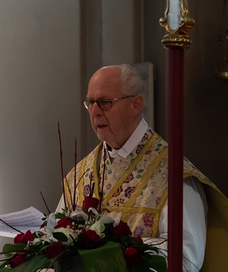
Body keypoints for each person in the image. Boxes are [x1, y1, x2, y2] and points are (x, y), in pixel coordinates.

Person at [56, 64, 228, 272]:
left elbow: (186, 258)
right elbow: (57, 239)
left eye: (105, 102)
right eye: (90, 103)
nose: (95, 112)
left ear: (136, 104)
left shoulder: (173, 175)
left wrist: (117, 252)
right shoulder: (80, 175)